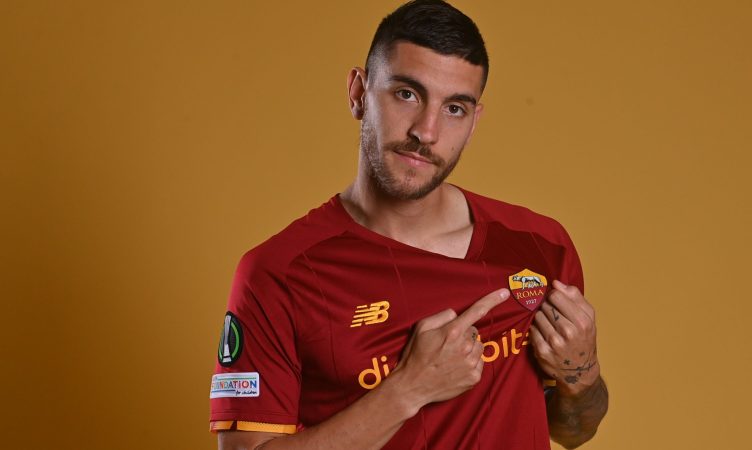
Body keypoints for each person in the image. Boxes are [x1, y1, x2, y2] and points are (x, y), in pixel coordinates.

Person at [210, 1, 608, 448]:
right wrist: (408, 389)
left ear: (474, 122)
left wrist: (583, 373)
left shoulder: (540, 245)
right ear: (359, 93)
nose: (426, 131)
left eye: (454, 108)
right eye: (407, 94)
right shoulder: (279, 274)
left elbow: (574, 430)